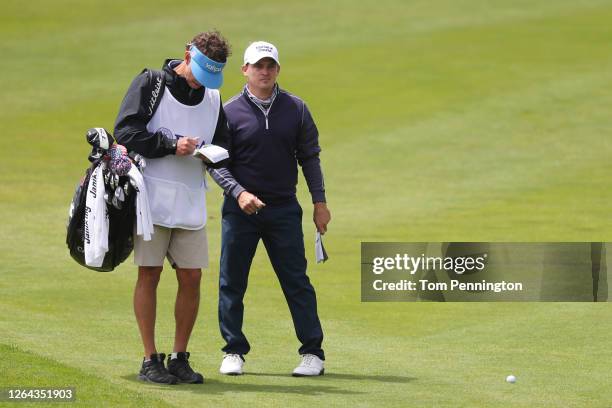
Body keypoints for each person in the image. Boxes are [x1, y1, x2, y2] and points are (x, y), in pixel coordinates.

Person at [113, 31, 231, 384]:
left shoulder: (212, 96)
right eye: (200, 72)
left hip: (191, 200)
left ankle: (180, 356)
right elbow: (126, 132)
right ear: (186, 55)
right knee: (149, 273)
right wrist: (170, 144)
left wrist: (208, 152)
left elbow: (223, 142)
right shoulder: (150, 83)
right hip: (151, 198)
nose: (202, 82)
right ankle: (150, 359)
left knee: (192, 276)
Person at [208, 41, 331, 376]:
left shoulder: (297, 108)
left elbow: (310, 157)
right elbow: (215, 162)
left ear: (277, 69)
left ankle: (313, 354)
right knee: (231, 281)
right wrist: (238, 192)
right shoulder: (228, 111)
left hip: (284, 209)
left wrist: (320, 202)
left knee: (296, 282)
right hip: (240, 210)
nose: (264, 72)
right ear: (245, 70)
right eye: (257, 66)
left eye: (270, 66)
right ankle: (233, 350)